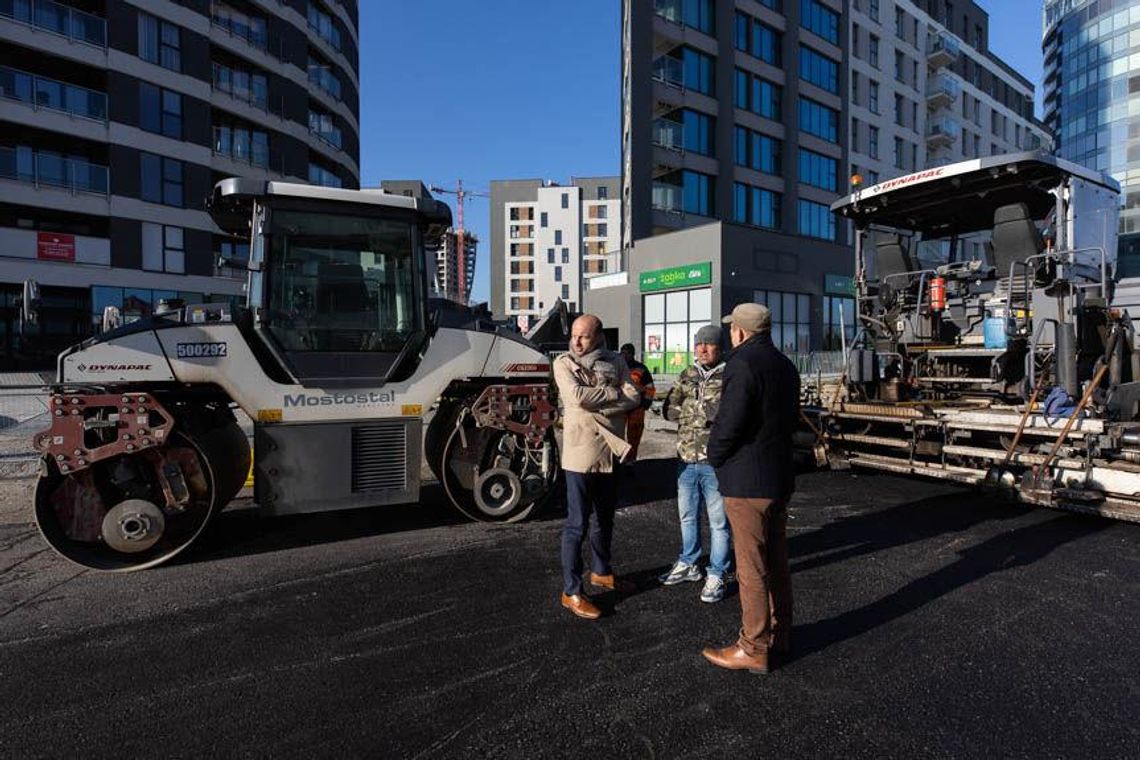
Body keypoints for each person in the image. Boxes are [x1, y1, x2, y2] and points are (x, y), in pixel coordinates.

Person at [702, 303, 799, 674]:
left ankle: (753, 646)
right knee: (776, 560)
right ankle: (780, 633)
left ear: (740, 332)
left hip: (747, 481)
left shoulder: (742, 364)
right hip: (778, 477)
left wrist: (715, 455)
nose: (730, 334)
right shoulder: (785, 366)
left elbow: (731, 422)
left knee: (751, 567)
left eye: (732, 329)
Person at [553, 315, 642, 620]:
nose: (576, 342)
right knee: (577, 524)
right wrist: (614, 393)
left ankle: (601, 572)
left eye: (584, 337)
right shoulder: (563, 364)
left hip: (609, 452)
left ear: (599, 337)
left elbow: (634, 396)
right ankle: (571, 591)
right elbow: (577, 398)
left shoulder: (615, 360)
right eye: (574, 336)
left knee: (605, 519)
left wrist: (603, 400)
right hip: (579, 455)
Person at [658, 324, 731, 603]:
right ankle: (689, 562)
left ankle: (717, 572)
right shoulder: (687, 374)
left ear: (720, 347)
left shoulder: (729, 375)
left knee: (718, 522)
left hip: (715, 462)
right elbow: (668, 409)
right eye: (699, 344)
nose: (702, 348)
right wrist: (696, 412)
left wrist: (703, 413)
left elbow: (731, 414)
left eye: (708, 344)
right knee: (687, 515)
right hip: (686, 460)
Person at [619, 343, 655, 465]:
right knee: (617, 434)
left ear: (632, 354)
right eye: (622, 352)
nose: (624, 355)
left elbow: (649, 387)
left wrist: (645, 403)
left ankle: (631, 460)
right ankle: (619, 459)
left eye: (627, 353)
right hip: (621, 407)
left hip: (637, 408)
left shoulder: (641, 369)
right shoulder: (618, 368)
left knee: (634, 435)